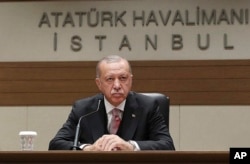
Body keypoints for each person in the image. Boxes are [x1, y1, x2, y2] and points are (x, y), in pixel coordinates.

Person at [49, 55, 175, 151]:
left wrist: (131, 146)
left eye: (123, 78)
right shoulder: (84, 109)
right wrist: (88, 148)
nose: (117, 85)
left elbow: (167, 145)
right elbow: (56, 144)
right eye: (110, 79)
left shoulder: (148, 106)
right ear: (99, 84)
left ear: (130, 80)